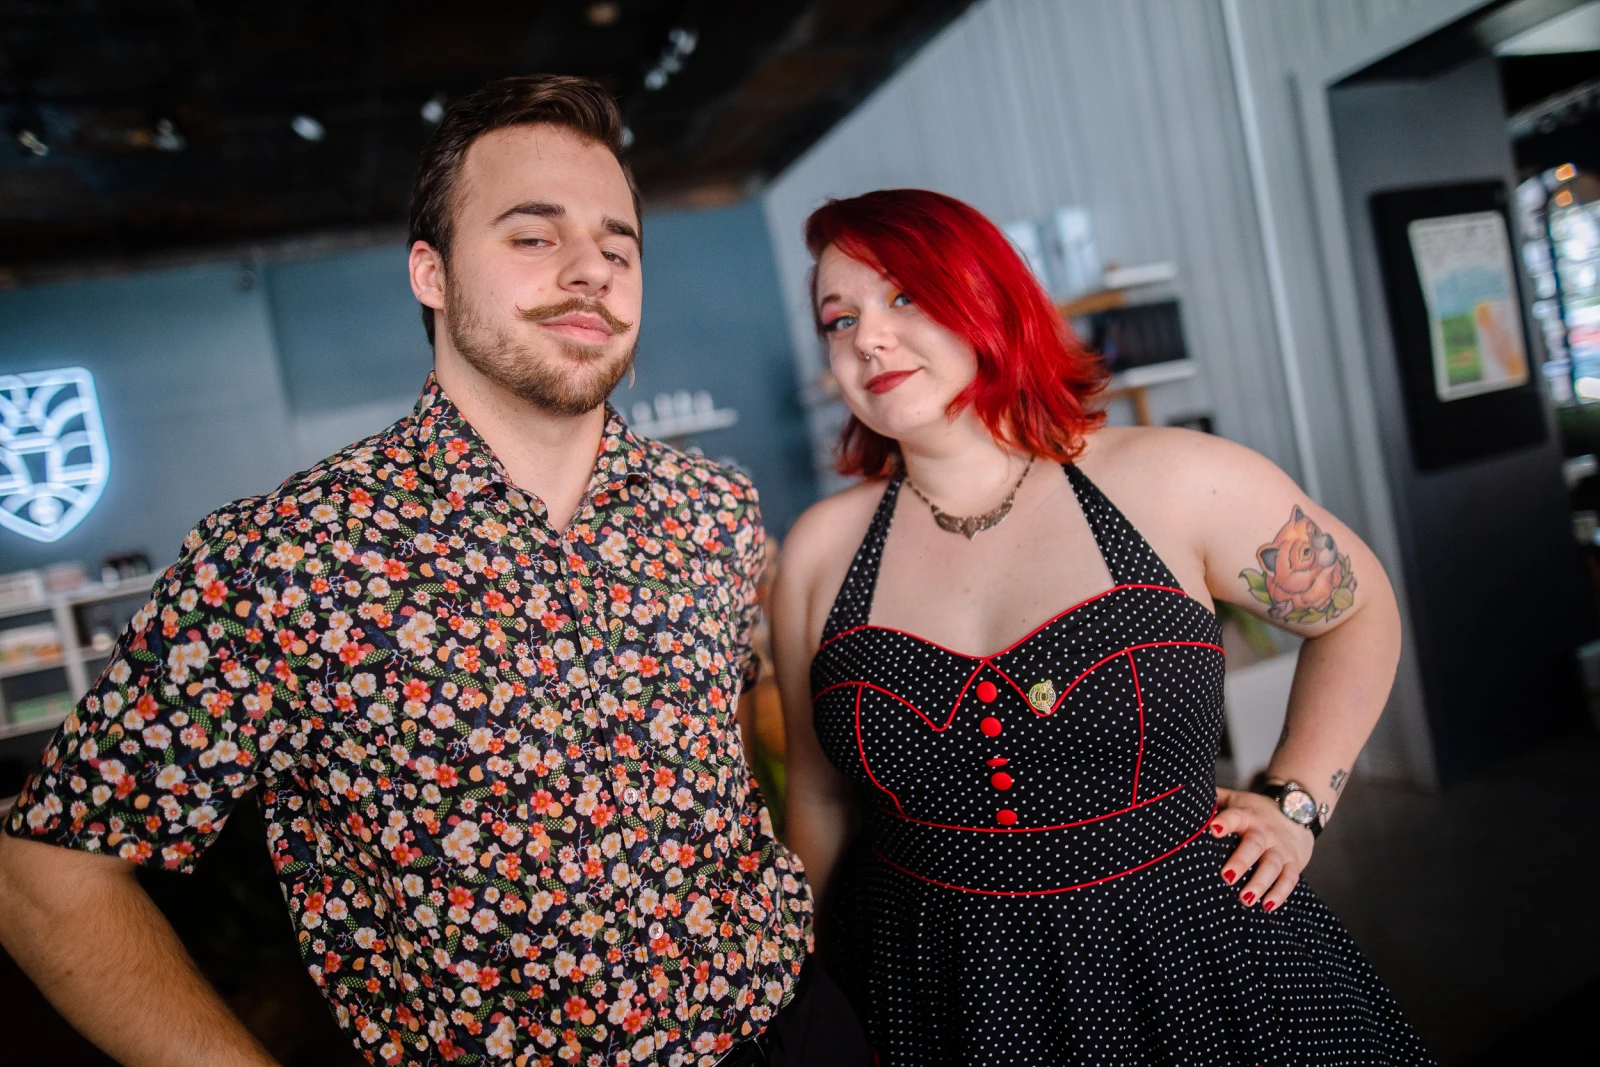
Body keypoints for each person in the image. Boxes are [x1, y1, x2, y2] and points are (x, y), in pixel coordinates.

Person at [0, 75, 869, 1067]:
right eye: (532, 236)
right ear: (432, 272)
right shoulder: (287, 556)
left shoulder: (711, 508)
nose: (591, 269)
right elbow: (43, 875)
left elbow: (736, 744)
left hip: (791, 1029)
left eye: (618, 246)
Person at [771, 188, 1434, 1066]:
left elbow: (1357, 609)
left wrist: (1297, 801)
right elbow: (819, 799)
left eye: (905, 295)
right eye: (839, 318)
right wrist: (799, 993)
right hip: (927, 987)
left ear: (987, 294)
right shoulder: (820, 551)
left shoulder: (1173, 481)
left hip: (1186, 959)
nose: (868, 339)